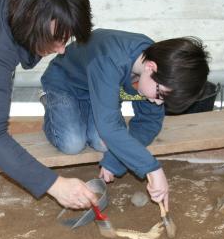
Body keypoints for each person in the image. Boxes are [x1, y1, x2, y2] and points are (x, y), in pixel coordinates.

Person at [41, 28, 210, 209]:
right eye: (161, 95)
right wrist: (153, 169)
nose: (159, 103)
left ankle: (91, 112)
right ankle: (51, 106)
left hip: (97, 96)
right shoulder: (111, 60)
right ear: (150, 67)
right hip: (64, 85)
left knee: (103, 143)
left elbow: (148, 123)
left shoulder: (159, 72)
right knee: (72, 143)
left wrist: (115, 160)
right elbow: (109, 127)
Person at [0, 0, 98, 210]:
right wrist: (55, 185)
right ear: (28, 25)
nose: (61, 50)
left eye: (65, 38)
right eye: (55, 40)